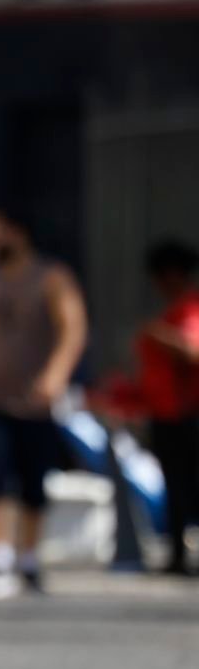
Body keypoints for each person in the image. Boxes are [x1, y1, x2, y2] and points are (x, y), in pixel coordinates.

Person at [0, 207, 87, 600]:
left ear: (18, 232)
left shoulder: (52, 277)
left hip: (35, 401)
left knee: (32, 482)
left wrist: (56, 374)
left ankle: (29, 557)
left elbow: (73, 329)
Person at [136, 240, 199, 576]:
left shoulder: (189, 310)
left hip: (187, 414)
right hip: (166, 413)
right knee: (176, 485)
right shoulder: (173, 312)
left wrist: (161, 336)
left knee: (187, 483)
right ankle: (177, 553)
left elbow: (193, 351)